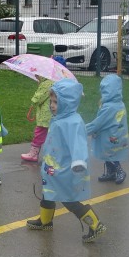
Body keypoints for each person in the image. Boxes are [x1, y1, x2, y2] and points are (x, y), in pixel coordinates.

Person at [26, 78, 107, 243]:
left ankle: (95, 224)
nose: (52, 105)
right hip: (53, 167)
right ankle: (45, 221)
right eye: (51, 101)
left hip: (65, 169)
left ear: (68, 102)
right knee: (48, 192)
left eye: (56, 102)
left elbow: (78, 144)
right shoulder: (59, 118)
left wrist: (78, 161)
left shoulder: (72, 122)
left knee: (68, 200)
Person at [85, 74, 129, 184]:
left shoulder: (110, 107)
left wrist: (82, 130)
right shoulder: (118, 103)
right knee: (108, 154)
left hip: (109, 136)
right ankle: (111, 172)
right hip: (115, 134)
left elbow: (98, 123)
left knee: (110, 154)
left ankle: (119, 171)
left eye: (105, 91)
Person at [21, 74, 54, 162]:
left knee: (39, 132)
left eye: (37, 75)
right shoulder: (54, 82)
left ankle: (33, 154)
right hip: (51, 114)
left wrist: (34, 101)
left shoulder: (47, 83)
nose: (36, 77)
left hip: (45, 115)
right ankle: (52, 153)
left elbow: (39, 98)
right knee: (51, 133)